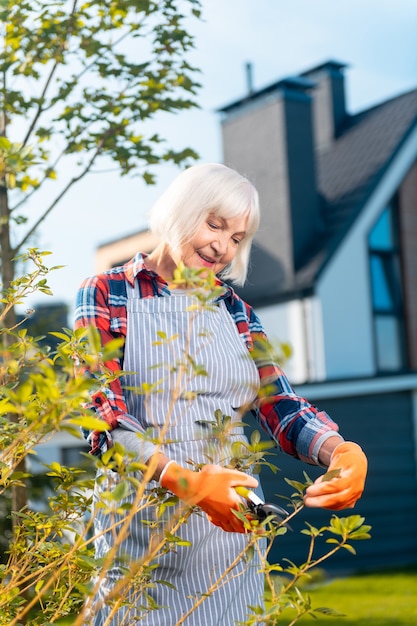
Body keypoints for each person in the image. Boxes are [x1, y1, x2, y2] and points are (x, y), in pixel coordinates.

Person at [74, 163, 368, 625]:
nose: (222, 247)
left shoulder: (236, 311)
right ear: (180, 209)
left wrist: (339, 449)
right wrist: (183, 481)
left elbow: (280, 404)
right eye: (215, 224)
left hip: (230, 538)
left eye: (236, 237)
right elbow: (102, 418)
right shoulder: (108, 293)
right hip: (142, 540)